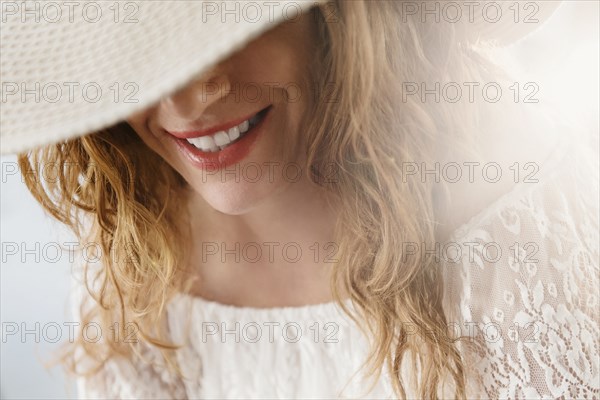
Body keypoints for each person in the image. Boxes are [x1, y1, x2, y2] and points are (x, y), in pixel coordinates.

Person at [1, 1, 597, 398]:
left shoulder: (516, 231)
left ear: (336, 15)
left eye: (226, 20)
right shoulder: (139, 255)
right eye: (132, 54)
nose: (186, 102)